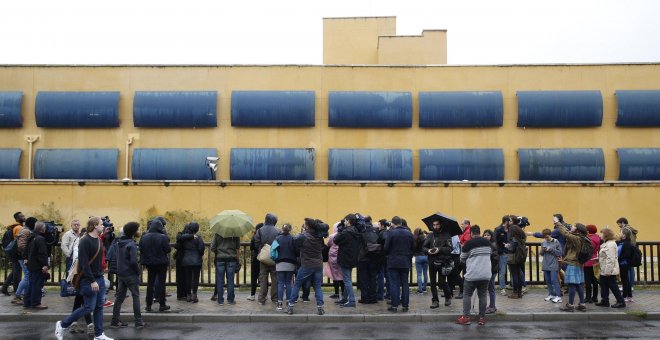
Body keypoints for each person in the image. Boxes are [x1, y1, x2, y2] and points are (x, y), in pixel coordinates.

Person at [56, 216, 113, 340]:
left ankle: (99, 334)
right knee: (89, 307)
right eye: (101, 224)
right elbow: (84, 263)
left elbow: (97, 259)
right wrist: (92, 280)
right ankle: (62, 324)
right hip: (89, 280)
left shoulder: (98, 239)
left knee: (99, 307)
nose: (103, 226)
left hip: (100, 278)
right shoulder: (85, 241)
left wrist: (101, 273)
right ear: (95, 225)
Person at [287, 219, 328, 315]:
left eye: (305, 224)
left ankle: (290, 306)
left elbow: (294, 244)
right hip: (318, 264)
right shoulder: (319, 236)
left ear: (307, 226)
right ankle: (320, 308)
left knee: (297, 284)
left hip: (306, 264)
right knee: (317, 286)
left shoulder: (303, 237)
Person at [111, 222, 145, 328]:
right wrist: (137, 272)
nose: (139, 231)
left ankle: (115, 321)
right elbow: (133, 261)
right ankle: (138, 321)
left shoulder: (118, 243)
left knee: (119, 298)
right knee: (136, 297)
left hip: (121, 274)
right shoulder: (131, 244)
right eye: (137, 229)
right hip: (130, 274)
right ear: (133, 232)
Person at [456, 225, 491, 326]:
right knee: (483, 295)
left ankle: (466, 318)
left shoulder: (468, 243)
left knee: (467, 295)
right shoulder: (487, 242)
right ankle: (482, 318)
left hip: (472, 274)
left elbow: (462, 258)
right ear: (479, 232)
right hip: (485, 274)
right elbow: (491, 253)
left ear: (471, 233)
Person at [139, 219, 171, 312]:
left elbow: (141, 248)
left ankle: (148, 305)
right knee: (161, 284)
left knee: (150, 284)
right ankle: (162, 304)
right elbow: (168, 249)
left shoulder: (144, 237)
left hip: (149, 263)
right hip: (161, 263)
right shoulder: (163, 237)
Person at [384, 216, 413, 313]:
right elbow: (413, 247)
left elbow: (386, 248)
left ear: (392, 223)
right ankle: (405, 306)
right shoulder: (409, 233)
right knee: (405, 284)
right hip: (405, 261)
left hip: (393, 262)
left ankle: (394, 305)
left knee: (394, 284)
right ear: (401, 223)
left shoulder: (391, 233)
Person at [333, 214, 362, 308]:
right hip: (352, 258)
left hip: (345, 258)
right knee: (347, 279)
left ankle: (352, 301)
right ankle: (345, 299)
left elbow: (335, 240)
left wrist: (340, 230)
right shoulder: (356, 231)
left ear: (348, 221)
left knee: (347, 280)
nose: (344, 222)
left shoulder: (345, 232)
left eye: (345, 220)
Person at [423, 219, 453, 308]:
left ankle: (448, 296)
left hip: (442, 261)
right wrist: (428, 250)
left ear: (441, 225)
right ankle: (435, 300)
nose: (435, 226)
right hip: (431, 261)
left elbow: (449, 249)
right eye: (434, 225)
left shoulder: (446, 235)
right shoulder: (430, 235)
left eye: (437, 225)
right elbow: (423, 247)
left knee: (442, 282)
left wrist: (439, 249)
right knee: (432, 282)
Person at [557, 223, 588, 312]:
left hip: (573, 264)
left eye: (574, 226)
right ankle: (582, 304)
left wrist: (558, 223)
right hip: (578, 264)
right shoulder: (582, 238)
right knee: (579, 285)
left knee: (572, 285)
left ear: (577, 230)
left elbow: (566, 233)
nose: (572, 227)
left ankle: (570, 305)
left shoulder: (576, 238)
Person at [595, 228, 626, 308]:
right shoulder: (606, 243)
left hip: (608, 270)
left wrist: (608, 271)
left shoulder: (611, 244)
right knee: (603, 285)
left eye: (601, 233)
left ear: (606, 235)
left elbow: (611, 259)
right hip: (604, 269)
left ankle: (621, 301)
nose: (600, 235)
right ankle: (605, 301)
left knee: (613, 286)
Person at [211, 227, 241, 305]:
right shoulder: (235, 234)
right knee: (230, 281)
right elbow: (238, 248)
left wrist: (219, 252)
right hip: (231, 259)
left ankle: (220, 300)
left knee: (220, 281)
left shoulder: (218, 233)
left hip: (220, 259)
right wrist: (237, 259)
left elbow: (212, 247)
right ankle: (230, 300)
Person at [255, 213, 280, 305]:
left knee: (263, 278)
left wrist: (260, 251)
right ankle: (275, 298)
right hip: (275, 257)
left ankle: (262, 298)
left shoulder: (260, 230)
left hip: (264, 258)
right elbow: (280, 243)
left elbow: (256, 242)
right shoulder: (278, 230)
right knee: (275, 279)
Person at [23, 221, 49, 310]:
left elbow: (25, 249)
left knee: (31, 284)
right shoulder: (40, 239)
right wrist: (45, 265)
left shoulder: (31, 237)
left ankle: (27, 302)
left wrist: (25, 258)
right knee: (37, 285)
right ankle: (36, 303)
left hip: (31, 264)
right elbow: (42, 253)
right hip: (38, 265)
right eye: (45, 227)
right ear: (42, 229)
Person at [13, 216, 36, 305]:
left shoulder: (26, 230)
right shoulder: (26, 231)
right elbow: (22, 246)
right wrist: (27, 257)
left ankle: (25, 295)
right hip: (23, 257)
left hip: (23, 257)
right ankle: (17, 296)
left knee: (28, 276)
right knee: (27, 275)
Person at [180, 222, 205, 303]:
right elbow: (201, 249)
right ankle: (194, 295)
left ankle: (188, 295)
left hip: (186, 260)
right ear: (197, 229)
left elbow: (179, 239)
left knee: (188, 278)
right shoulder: (198, 238)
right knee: (195, 278)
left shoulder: (184, 237)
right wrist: (199, 254)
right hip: (196, 260)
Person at [357, 217, 380, 305]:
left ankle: (365, 298)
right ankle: (373, 298)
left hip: (363, 258)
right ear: (370, 221)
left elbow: (358, 244)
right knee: (373, 278)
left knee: (363, 279)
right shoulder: (375, 231)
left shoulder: (361, 231)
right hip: (373, 257)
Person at [2, 211, 25, 296]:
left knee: (16, 270)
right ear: (17, 218)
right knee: (17, 271)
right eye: (22, 216)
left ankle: (4, 287)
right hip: (16, 252)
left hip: (12, 252)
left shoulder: (13, 227)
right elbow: (20, 240)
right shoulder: (18, 227)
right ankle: (16, 291)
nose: (24, 217)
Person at [274, 224, 296, 310]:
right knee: (288, 283)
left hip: (279, 262)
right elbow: (296, 251)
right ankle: (288, 302)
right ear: (290, 229)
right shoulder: (293, 239)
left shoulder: (277, 239)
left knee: (280, 283)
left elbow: (273, 250)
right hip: (290, 262)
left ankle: (279, 303)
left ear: (282, 230)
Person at [505, 218, 526, 299]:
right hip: (519, 256)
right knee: (518, 274)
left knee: (514, 275)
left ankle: (515, 292)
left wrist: (507, 246)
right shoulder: (521, 237)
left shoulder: (513, 237)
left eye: (510, 220)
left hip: (513, 257)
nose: (508, 222)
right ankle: (519, 292)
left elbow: (512, 248)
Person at [540, 228, 562, 304]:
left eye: (547, 237)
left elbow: (560, 253)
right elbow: (541, 254)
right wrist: (543, 250)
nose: (546, 239)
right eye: (545, 237)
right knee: (548, 281)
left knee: (554, 280)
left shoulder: (556, 241)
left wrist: (551, 249)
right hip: (545, 263)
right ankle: (551, 294)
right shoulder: (543, 242)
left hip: (553, 263)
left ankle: (558, 296)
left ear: (550, 235)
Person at [617, 217, 638, 295]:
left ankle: (628, 285)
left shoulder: (626, 230)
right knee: (631, 269)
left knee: (628, 270)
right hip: (631, 251)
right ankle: (630, 285)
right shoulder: (631, 229)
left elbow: (629, 241)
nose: (619, 226)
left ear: (622, 223)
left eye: (619, 224)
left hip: (628, 251)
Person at [324, 222, 344, 299]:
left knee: (335, 275)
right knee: (342, 274)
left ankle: (336, 293)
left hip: (333, 257)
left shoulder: (332, 236)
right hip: (341, 256)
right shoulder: (344, 235)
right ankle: (343, 292)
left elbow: (328, 244)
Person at [482, 230, 499, 314]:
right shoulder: (485, 245)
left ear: (491, 236)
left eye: (488, 235)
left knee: (491, 288)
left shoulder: (493, 245)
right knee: (489, 288)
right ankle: (492, 305)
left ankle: (492, 306)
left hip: (492, 270)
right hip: (487, 269)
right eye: (484, 235)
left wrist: (490, 268)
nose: (486, 236)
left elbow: (495, 259)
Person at [584, 225, 601, 303]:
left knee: (588, 281)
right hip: (595, 261)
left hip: (587, 261)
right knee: (595, 280)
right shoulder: (598, 238)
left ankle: (588, 297)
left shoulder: (588, 239)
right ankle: (595, 297)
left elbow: (586, 251)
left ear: (588, 231)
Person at [246, 223, 264, 301]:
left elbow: (251, 248)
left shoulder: (255, 237)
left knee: (254, 277)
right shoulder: (265, 237)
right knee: (264, 277)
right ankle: (264, 295)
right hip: (264, 258)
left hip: (256, 258)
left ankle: (252, 295)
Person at [494, 216, 511, 295]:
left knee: (512, 270)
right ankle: (502, 288)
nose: (511, 222)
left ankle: (512, 285)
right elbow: (496, 241)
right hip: (502, 253)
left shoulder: (511, 229)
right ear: (506, 221)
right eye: (509, 221)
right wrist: (502, 247)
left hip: (511, 252)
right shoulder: (498, 229)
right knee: (502, 271)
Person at [618, 227, 635, 302]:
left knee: (624, 280)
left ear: (624, 235)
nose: (619, 234)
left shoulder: (626, 244)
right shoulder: (626, 242)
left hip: (624, 264)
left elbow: (626, 254)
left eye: (620, 232)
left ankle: (624, 296)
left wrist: (619, 258)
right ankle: (629, 296)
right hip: (625, 263)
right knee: (626, 280)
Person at [412, 228, 428, 295]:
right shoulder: (425, 238)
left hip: (418, 257)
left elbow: (413, 248)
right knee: (425, 273)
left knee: (419, 274)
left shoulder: (415, 239)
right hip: (425, 256)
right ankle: (424, 288)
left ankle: (420, 290)